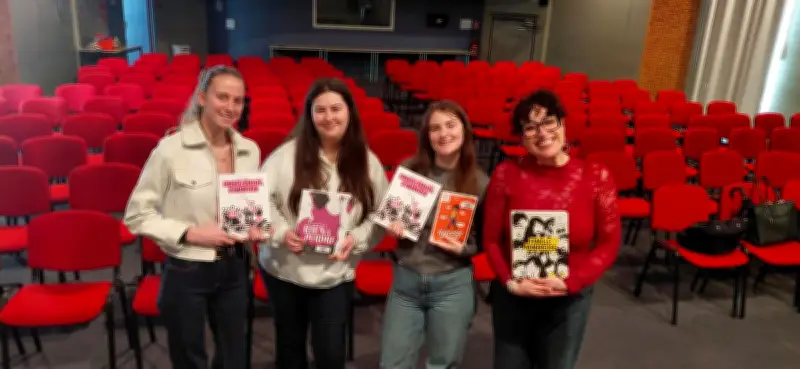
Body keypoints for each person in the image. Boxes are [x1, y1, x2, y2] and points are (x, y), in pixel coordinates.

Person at [124, 65, 263, 369]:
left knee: (234, 357)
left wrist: (255, 227)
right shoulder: (170, 150)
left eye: (237, 101)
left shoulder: (249, 150)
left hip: (235, 266)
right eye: (222, 97)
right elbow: (136, 216)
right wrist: (191, 233)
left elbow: (246, 206)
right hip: (188, 269)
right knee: (189, 357)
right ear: (202, 98)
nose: (230, 107)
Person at [482, 89, 621, 369]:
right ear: (521, 138)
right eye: (530, 128)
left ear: (563, 125)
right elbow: (491, 240)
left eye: (549, 122)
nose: (542, 133)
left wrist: (571, 282)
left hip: (568, 300)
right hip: (515, 296)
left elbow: (608, 244)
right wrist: (509, 281)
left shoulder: (596, 177)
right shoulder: (506, 174)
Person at [258, 77, 389, 369]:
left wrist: (356, 238)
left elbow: (379, 216)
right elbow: (261, 202)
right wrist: (281, 232)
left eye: (336, 108)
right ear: (310, 115)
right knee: (290, 350)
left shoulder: (368, 162)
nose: (329, 117)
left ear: (349, 112)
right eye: (320, 110)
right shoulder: (284, 156)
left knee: (330, 355)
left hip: (334, 274)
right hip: (285, 270)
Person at [379, 100, 489, 369]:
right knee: (392, 363)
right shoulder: (410, 170)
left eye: (451, 126)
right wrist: (392, 227)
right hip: (407, 280)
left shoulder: (480, 181)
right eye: (435, 128)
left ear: (464, 130)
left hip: (452, 283)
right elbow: (391, 220)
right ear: (427, 136)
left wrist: (462, 248)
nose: (444, 134)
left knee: (443, 363)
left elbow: (485, 241)